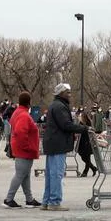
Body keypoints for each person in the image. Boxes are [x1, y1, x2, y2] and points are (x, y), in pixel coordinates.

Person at [42, 83, 88, 211]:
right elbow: (66, 125)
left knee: (51, 174)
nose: (70, 94)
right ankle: (54, 202)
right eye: (67, 92)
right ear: (61, 93)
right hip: (58, 143)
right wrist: (83, 128)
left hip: (52, 143)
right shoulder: (60, 106)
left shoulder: (55, 105)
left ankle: (46, 201)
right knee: (57, 174)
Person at [2, 92, 42, 208]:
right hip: (24, 150)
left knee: (25, 175)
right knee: (20, 175)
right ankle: (9, 199)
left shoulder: (17, 112)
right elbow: (20, 132)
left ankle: (29, 199)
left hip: (20, 149)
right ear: (29, 102)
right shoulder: (24, 115)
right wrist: (27, 146)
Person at [77, 111, 98, 177]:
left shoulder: (88, 123)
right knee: (83, 157)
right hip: (81, 142)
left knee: (87, 157)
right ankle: (93, 168)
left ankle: (85, 172)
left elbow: (91, 130)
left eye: (80, 116)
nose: (79, 117)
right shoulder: (80, 123)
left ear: (83, 117)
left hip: (87, 142)